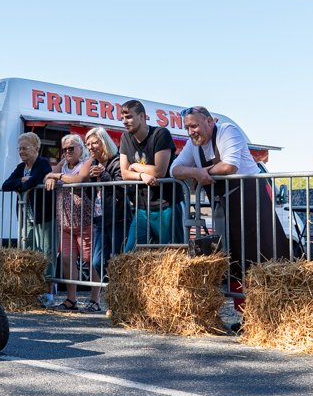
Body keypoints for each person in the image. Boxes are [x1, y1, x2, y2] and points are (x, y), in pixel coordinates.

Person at [170, 106, 290, 312]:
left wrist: (199, 172)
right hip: (224, 206)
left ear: (209, 121)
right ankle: (244, 315)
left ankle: (274, 311)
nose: (191, 132)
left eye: (194, 126)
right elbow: (174, 169)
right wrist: (199, 172)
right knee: (233, 260)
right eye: (187, 128)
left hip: (251, 200)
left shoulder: (227, 131)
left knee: (263, 255)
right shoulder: (193, 145)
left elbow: (229, 167)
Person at [118, 99, 186, 251]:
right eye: (122, 118)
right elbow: (124, 173)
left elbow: (159, 172)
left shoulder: (161, 134)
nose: (124, 121)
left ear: (141, 116)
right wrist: (142, 176)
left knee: (171, 256)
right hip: (142, 208)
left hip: (167, 205)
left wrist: (135, 166)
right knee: (130, 255)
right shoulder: (125, 138)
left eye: (128, 117)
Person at [84, 127, 131, 313]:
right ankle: (114, 295)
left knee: (118, 260)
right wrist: (91, 178)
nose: (90, 147)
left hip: (118, 217)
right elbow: (90, 194)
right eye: (88, 144)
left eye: (94, 142)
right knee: (97, 261)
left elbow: (122, 188)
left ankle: (120, 303)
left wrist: (103, 175)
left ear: (104, 142)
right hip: (100, 218)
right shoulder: (93, 163)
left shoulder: (117, 161)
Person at [44, 134, 93, 312]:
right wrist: (50, 177)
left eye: (71, 148)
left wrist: (56, 175)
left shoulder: (87, 161)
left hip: (85, 221)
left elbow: (81, 179)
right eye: (64, 149)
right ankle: (71, 300)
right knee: (66, 261)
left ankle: (94, 299)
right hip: (65, 223)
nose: (67, 152)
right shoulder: (63, 164)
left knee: (89, 261)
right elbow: (47, 177)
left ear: (81, 148)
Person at [2, 132, 56, 284]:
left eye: (24, 148)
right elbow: (5, 185)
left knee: (47, 254)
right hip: (27, 218)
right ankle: (32, 287)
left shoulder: (43, 163)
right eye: (19, 149)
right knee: (28, 252)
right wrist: (20, 180)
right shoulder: (21, 167)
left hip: (44, 216)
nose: (21, 152)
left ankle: (49, 292)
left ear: (36, 148)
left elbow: (30, 184)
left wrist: (21, 184)